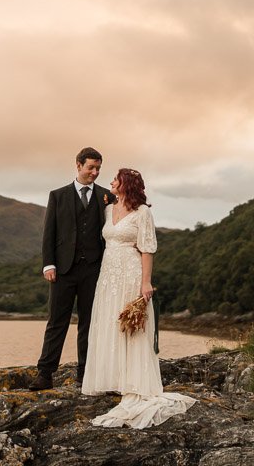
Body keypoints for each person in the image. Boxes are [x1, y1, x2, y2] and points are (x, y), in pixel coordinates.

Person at [81, 167, 195, 428]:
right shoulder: (108, 210)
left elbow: (147, 249)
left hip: (131, 273)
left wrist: (145, 282)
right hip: (108, 274)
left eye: (115, 178)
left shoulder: (143, 213)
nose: (109, 181)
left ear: (126, 184)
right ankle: (115, 377)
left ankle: (135, 381)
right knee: (111, 323)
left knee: (133, 328)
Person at [31, 146, 114, 391]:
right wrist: (49, 263)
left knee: (89, 323)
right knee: (57, 321)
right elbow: (50, 233)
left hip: (93, 269)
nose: (95, 172)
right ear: (78, 165)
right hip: (63, 270)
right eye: (91, 167)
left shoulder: (106, 195)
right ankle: (45, 374)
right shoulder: (58, 196)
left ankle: (84, 373)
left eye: (98, 168)